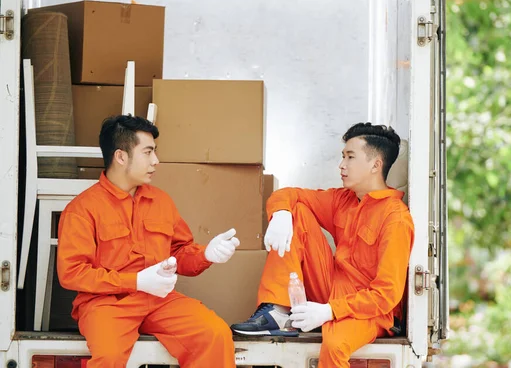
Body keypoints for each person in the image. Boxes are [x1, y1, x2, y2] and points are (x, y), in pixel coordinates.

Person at [57, 115, 240, 368]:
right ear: (121, 157)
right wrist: (136, 281)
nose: (156, 161)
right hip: (106, 304)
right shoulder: (82, 209)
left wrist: (206, 254)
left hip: (159, 300)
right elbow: (73, 273)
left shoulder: (161, 201)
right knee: (108, 356)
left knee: (214, 334)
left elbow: (180, 252)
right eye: (148, 152)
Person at [231, 122, 414, 368]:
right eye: (342, 157)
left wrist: (330, 311)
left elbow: (386, 295)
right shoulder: (342, 200)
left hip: (370, 311)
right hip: (329, 291)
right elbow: (288, 193)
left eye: (350, 157)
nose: (342, 165)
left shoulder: (395, 218)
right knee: (296, 209)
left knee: (335, 345)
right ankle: (278, 311)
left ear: (375, 165)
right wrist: (281, 213)